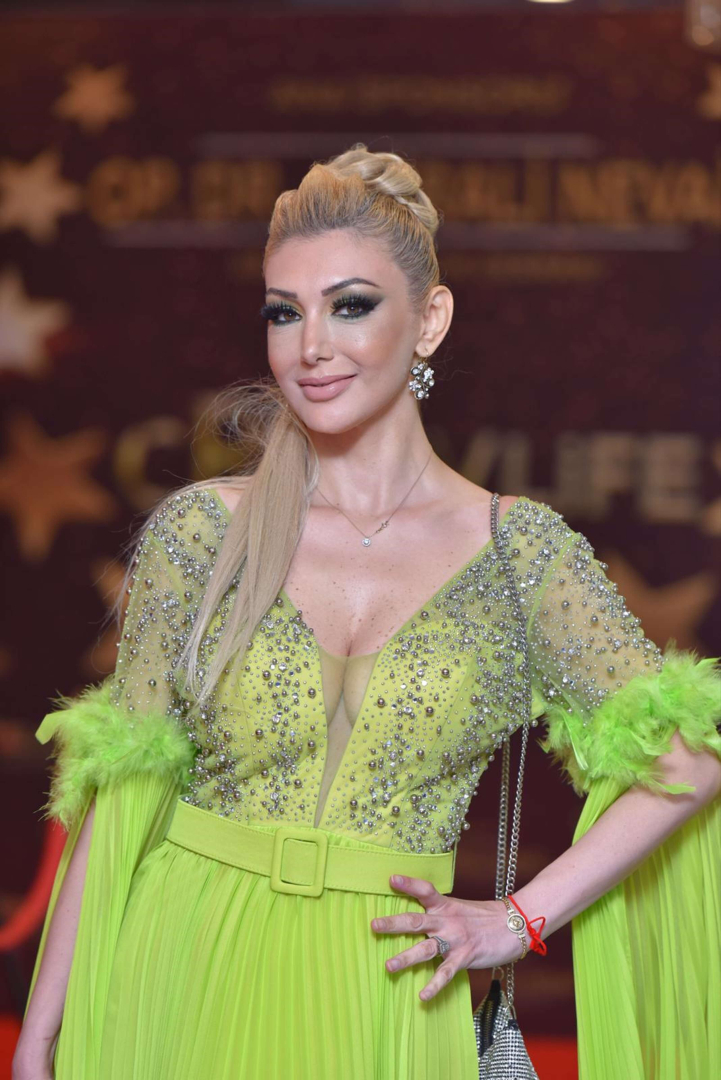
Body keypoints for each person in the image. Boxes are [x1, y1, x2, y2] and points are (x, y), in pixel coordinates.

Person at [14, 144, 721, 1080]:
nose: (310, 344)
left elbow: (687, 760)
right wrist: (39, 1034)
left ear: (429, 320)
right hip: (178, 961)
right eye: (284, 311)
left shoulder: (519, 553)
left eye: (349, 305)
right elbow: (122, 788)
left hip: (385, 989)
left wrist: (518, 920)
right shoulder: (203, 532)